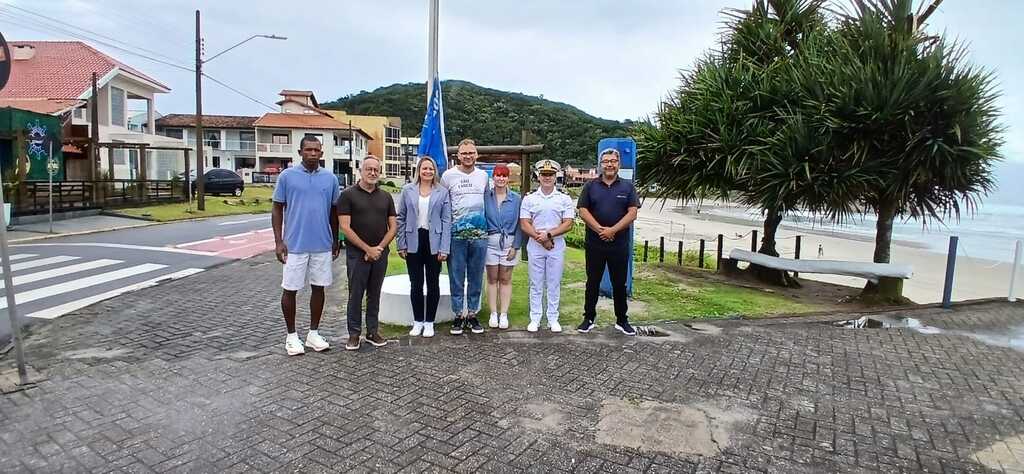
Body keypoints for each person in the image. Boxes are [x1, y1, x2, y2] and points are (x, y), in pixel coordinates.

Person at [271, 136, 341, 356]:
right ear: (300, 152)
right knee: (290, 289)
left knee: (319, 288)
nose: (313, 153)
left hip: (321, 244)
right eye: (308, 150)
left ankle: (313, 333)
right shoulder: (287, 176)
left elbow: (334, 212)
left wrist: (335, 240)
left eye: (316, 150)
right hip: (295, 245)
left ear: (322, 153)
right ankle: (291, 336)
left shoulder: (330, 179)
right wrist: (278, 241)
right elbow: (277, 209)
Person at [576, 148, 641, 336]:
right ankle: (588, 318)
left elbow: (632, 212)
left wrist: (613, 230)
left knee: (619, 283)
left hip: (619, 244)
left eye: (613, 161)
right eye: (606, 161)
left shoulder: (628, 187)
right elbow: (583, 210)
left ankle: (622, 320)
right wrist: (599, 229)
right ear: (600, 164)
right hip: (595, 243)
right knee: (593, 282)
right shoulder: (590, 186)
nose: (609, 164)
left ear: (618, 164)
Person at [338, 156, 397, 350]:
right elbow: (345, 227)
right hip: (357, 255)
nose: (372, 173)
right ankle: (354, 333)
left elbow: (393, 226)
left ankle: (372, 331)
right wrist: (367, 249)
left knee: (374, 293)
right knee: (356, 294)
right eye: (368, 169)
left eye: (376, 170)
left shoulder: (386, 197)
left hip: (380, 254)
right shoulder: (348, 195)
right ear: (361, 171)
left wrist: (378, 249)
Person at [396, 156, 451, 338]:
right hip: (413, 240)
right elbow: (401, 218)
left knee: (433, 283)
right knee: (416, 284)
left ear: (435, 171)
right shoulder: (407, 190)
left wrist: (444, 248)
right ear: (418, 170)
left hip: (434, 241)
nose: (428, 172)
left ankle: (429, 322)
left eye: (431, 169)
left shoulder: (442, 192)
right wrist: (401, 243)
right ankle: (418, 321)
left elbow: (446, 220)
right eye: (424, 168)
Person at [441, 139, 490, 335]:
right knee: (456, 277)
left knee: (476, 276)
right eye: (464, 153)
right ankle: (458, 316)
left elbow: (488, 202)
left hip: (479, 236)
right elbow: (444, 206)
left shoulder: (484, 176)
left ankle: (472, 314)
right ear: (458, 155)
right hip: (456, 236)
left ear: (476, 155)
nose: (468, 156)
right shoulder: (448, 176)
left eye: (471, 152)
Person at [519, 159, 575, 333]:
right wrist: (542, 238)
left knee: (553, 283)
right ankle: (535, 318)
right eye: (544, 174)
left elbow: (568, 223)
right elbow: (524, 223)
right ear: (538, 176)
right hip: (536, 244)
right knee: (535, 283)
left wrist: (549, 235)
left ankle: (553, 318)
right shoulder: (530, 198)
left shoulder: (564, 199)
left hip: (556, 245)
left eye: (550, 174)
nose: (547, 178)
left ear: (556, 176)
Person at [483, 163, 523, 329]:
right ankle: (493, 312)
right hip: (490, 242)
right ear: (493, 177)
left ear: (508, 178)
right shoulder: (486, 196)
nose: (501, 178)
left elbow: (521, 223)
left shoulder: (516, 199)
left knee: (505, 279)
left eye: (504, 175)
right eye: (498, 175)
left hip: (509, 242)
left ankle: (504, 313)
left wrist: (516, 245)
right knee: (492, 278)